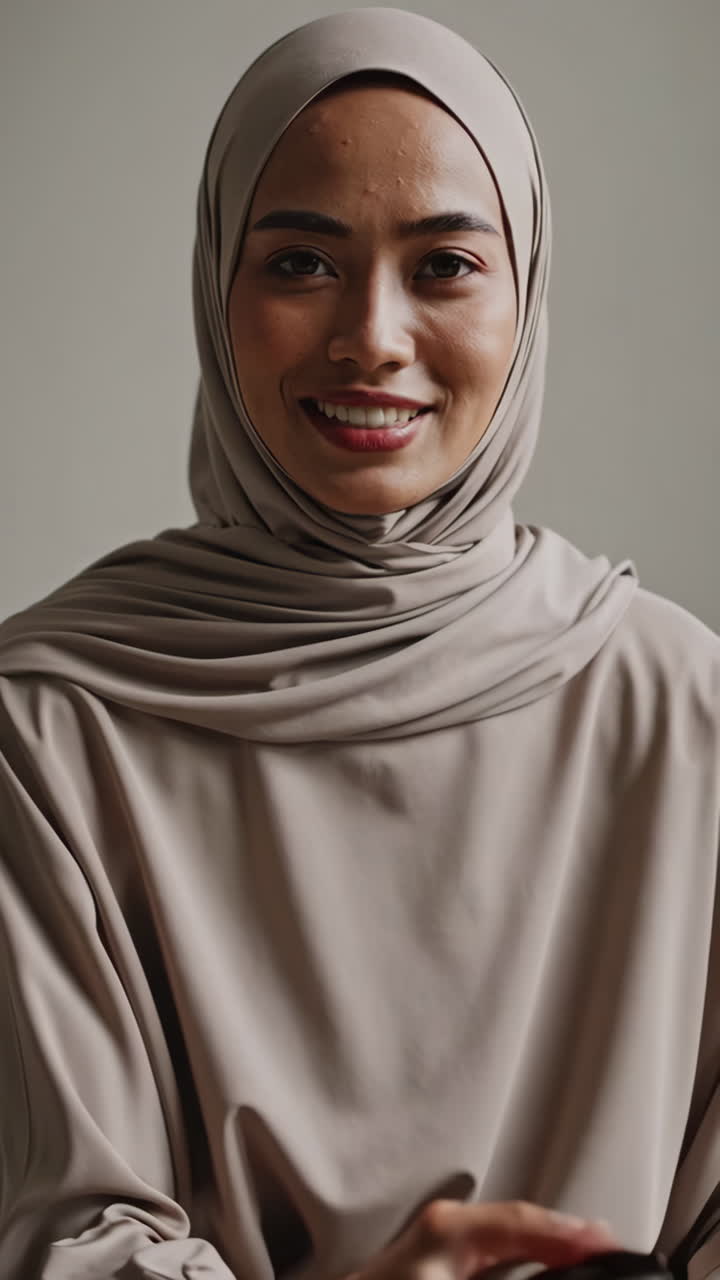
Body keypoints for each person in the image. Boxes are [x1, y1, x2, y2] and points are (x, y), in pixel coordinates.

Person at [0, 8, 718, 1280]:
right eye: (300, 263)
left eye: (444, 264)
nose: (372, 336)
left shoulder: (681, 708)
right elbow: (66, 1240)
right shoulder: (47, 726)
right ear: (218, 285)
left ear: (527, 290)